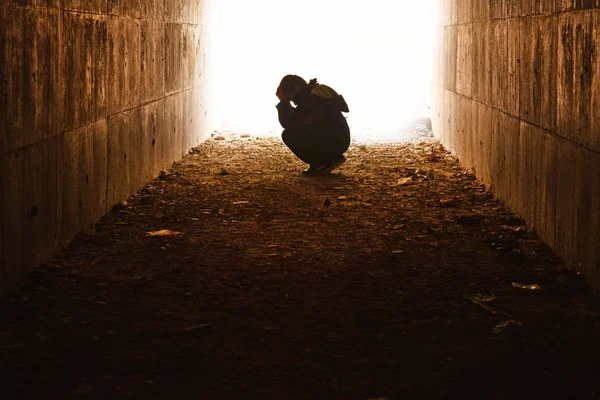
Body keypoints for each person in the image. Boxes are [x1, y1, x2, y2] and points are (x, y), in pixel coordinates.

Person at [275, 75, 351, 176]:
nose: (292, 101)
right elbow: (300, 118)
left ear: (296, 88)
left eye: (289, 96)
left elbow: (289, 123)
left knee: (288, 135)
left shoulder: (311, 99)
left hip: (334, 143)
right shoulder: (313, 95)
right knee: (293, 132)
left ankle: (324, 161)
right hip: (339, 140)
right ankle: (328, 158)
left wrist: (283, 103)